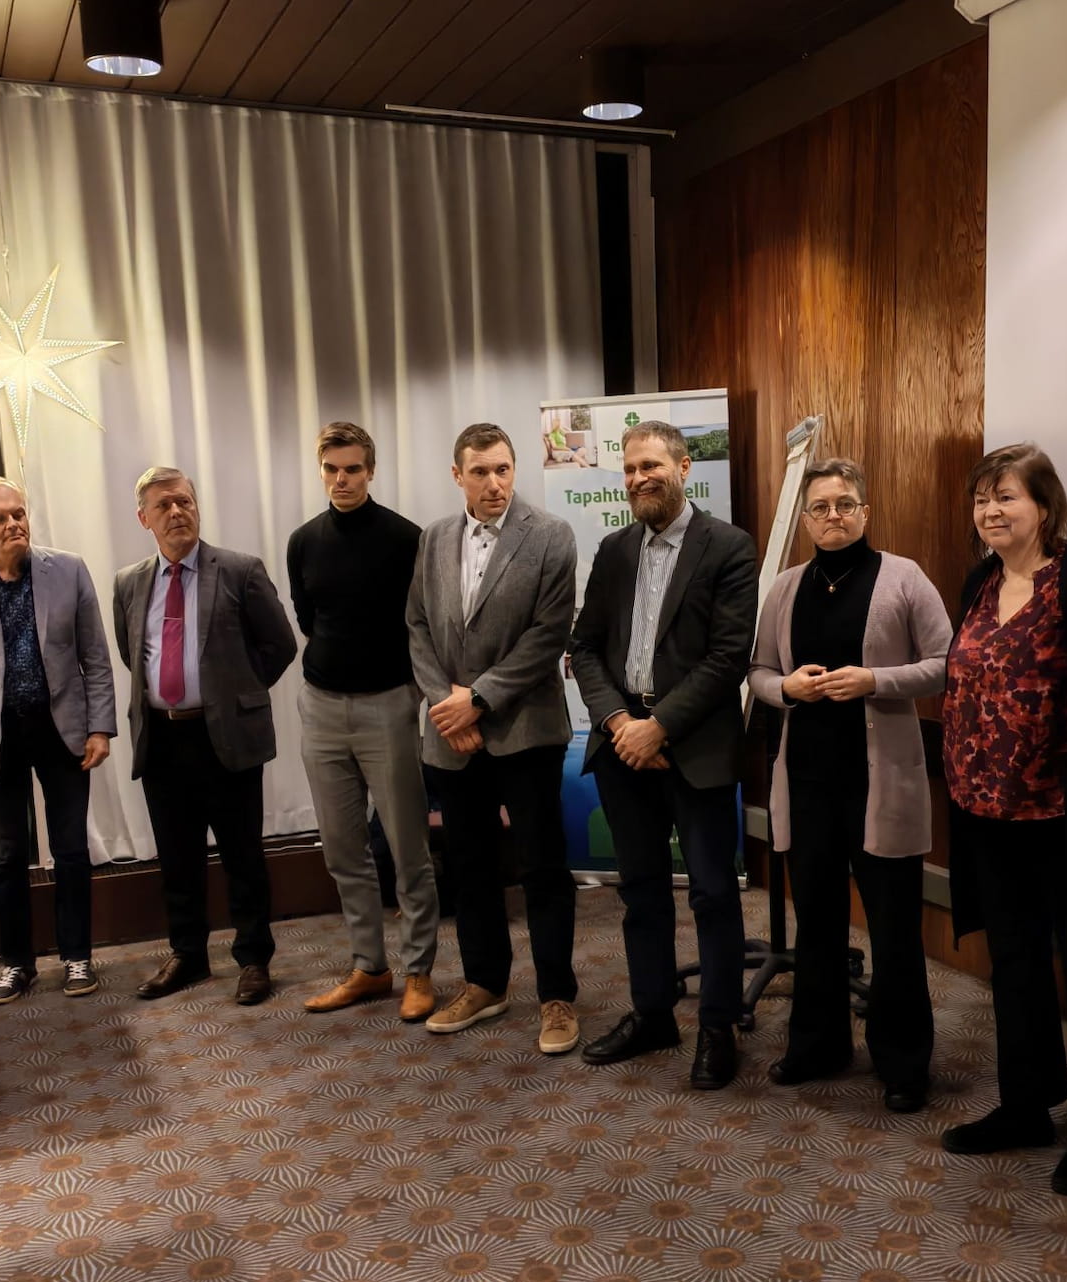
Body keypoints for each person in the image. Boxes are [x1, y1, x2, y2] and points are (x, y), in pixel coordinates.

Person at [939, 443, 1067, 1196]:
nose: (990, 511)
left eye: (1006, 497)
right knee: (1015, 963)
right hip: (988, 814)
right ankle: (1026, 1105)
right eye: (981, 499)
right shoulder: (981, 580)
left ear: (1045, 505)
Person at [747, 459, 950, 1113]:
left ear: (865, 511)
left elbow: (947, 664)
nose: (832, 515)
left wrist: (874, 681)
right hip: (807, 785)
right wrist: (786, 688)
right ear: (806, 519)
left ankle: (903, 1062)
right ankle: (819, 1045)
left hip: (880, 787)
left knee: (893, 929)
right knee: (818, 924)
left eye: (844, 504)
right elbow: (758, 671)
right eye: (820, 507)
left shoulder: (904, 577)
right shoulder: (786, 587)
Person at [569, 420, 757, 1091]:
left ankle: (717, 1026)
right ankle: (652, 1015)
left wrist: (660, 727)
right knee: (641, 892)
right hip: (622, 746)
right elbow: (584, 647)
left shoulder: (728, 546)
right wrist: (621, 722)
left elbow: (728, 657)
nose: (639, 478)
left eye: (651, 465)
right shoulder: (614, 549)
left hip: (695, 747)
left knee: (712, 893)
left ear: (683, 467)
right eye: (629, 469)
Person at [406, 422, 580, 1053]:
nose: (493, 483)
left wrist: (476, 700)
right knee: (471, 865)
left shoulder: (551, 535)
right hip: (452, 734)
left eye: (502, 469)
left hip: (526, 729)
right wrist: (445, 705)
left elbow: (548, 634)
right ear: (458, 476)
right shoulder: (434, 538)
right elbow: (417, 626)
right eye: (479, 472)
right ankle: (485, 983)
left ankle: (557, 995)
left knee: (542, 867)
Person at [113, 467, 296, 1006]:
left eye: (184, 502)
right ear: (143, 518)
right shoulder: (128, 582)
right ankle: (188, 954)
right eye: (163, 505)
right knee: (177, 857)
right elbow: (132, 653)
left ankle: (253, 958)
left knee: (243, 855)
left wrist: (235, 694)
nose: (177, 512)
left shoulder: (239, 569)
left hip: (226, 738)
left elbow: (280, 644)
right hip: (162, 739)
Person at [0, 477, 116, 1005]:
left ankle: (77, 957)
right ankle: (17, 964)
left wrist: (99, 726)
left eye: (18, 513)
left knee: (71, 849)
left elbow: (95, 657)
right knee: (7, 856)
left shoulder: (69, 570)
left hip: (61, 728)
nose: (13, 524)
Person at [287, 423, 441, 1021]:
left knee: (407, 847)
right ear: (321, 470)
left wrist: (413, 694)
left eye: (352, 469)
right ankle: (369, 967)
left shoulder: (406, 538)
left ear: (370, 470)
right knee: (343, 849)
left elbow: (423, 623)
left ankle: (419, 970)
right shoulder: (304, 541)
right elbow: (310, 619)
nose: (342, 479)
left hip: (388, 704)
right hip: (322, 706)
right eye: (331, 469)